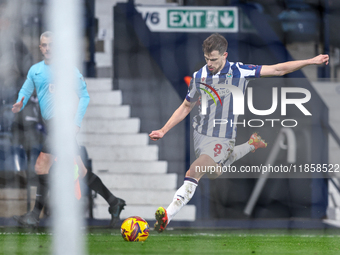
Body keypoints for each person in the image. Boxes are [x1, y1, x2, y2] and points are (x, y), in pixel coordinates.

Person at [149, 33, 329, 232]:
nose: (209, 63)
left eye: (214, 60)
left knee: (194, 171)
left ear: (225, 55)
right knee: (214, 172)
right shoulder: (199, 76)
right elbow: (185, 106)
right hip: (200, 135)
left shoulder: (239, 71)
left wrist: (311, 61)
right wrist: (163, 130)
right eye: (207, 59)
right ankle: (250, 145)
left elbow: (277, 70)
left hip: (222, 137)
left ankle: (167, 215)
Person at [11, 31, 126, 228]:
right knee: (80, 171)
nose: (48, 48)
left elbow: (85, 97)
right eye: (44, 45)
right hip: (52, 125)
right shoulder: (35, 70)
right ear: (40, 48)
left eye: (51, 45)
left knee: (41, 165)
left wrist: (76, 123)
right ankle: (114, 202)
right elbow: (25, 90)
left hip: (62, 124)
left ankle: (34, 216)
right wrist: (19, 103)